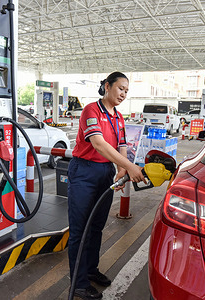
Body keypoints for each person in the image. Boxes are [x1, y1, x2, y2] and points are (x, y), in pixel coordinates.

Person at [68, 71, 146, 299]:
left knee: (96, 227)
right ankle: (79, 282)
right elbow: (99, 144)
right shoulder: (91, 110)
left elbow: (122, 146)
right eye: (120, 88)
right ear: (107, 86)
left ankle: (90, 271)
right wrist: (130, 167)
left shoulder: (119, 118)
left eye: (127, 91)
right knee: (80, 230)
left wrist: (122, 169)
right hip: (84, 172)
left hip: (104, 172)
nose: (123, 94)